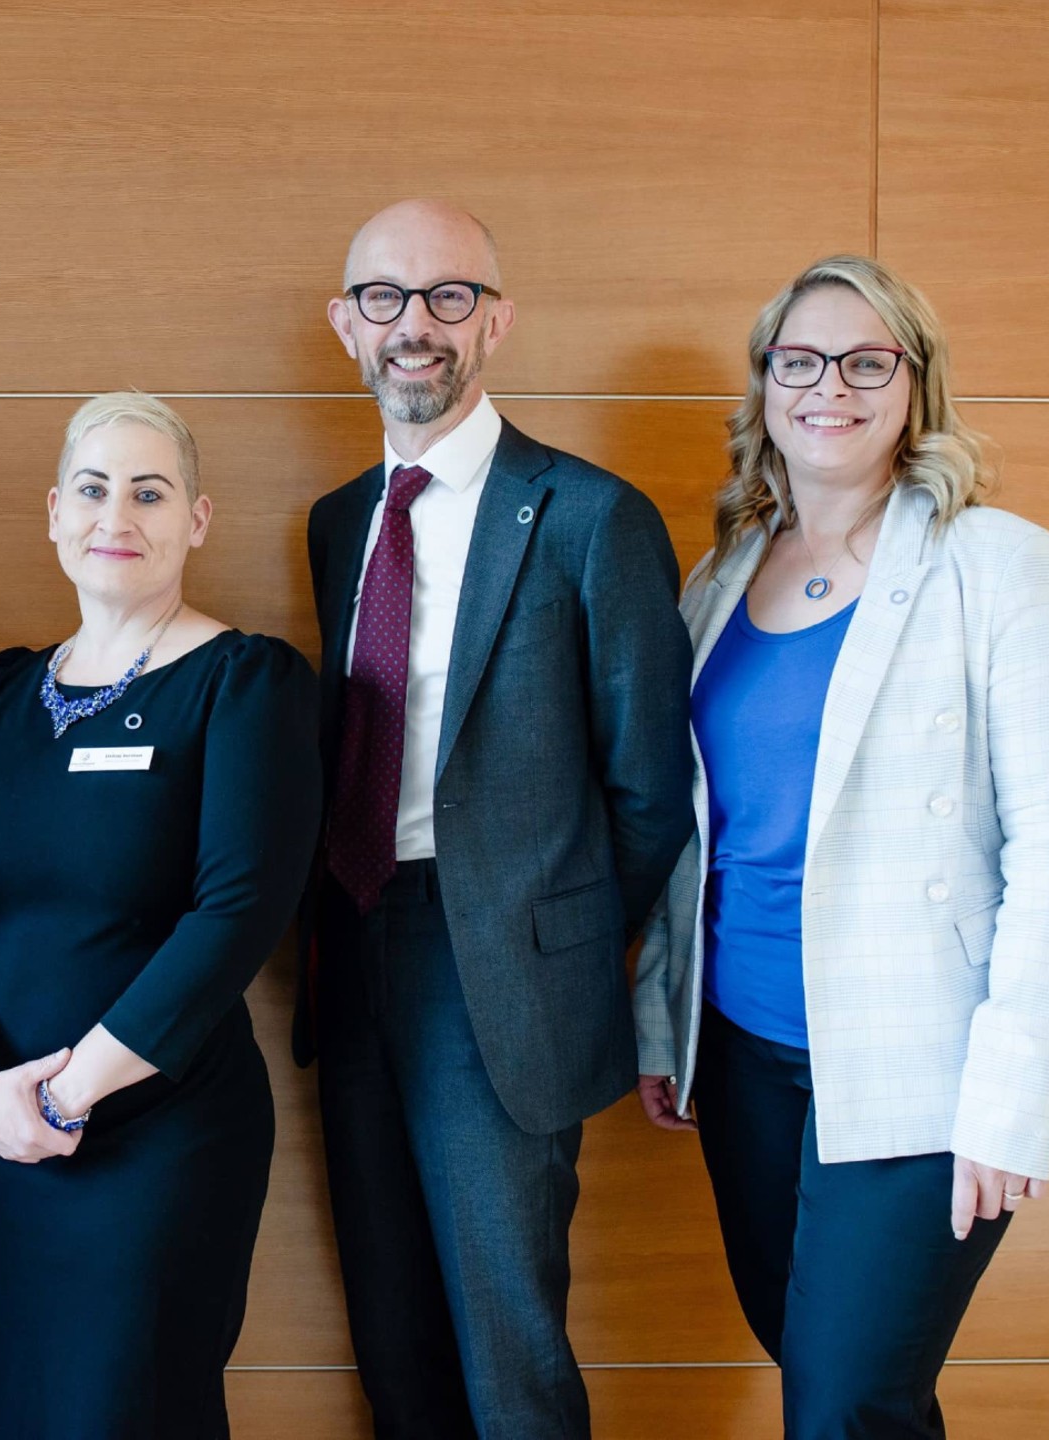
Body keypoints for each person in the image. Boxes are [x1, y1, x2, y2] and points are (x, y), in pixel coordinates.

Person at [633, 255, 1049, 1438]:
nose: (829, 388)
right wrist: (666, 1023)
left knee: (846, 1399)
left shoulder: (996, 564)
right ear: (766, 385)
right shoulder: (721, 576)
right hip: (746, 1051)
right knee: (817, 1368)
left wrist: (1010, 1098)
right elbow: (685, 833)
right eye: (800, 361)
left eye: (866, 361)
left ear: (914, 384)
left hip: (926, 1065)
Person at [301, 200, 694, 1439]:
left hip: (502, 984)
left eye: (449, 296)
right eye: (385, 298)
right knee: (394, 1335)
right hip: (353, 949)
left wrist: (554, 943)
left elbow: (649, 790)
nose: (415, 325)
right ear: (344, 324)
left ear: (499, 321)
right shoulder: (335, 523)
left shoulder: (590, 518)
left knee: (508, 1350)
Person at [0, 392, 320, 1440]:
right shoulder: (0, 693)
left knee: (127, 1410)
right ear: (54, 512)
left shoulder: (247, 682)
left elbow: (238, 914)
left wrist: (70, 1094)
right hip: (3, 1130)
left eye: (151, 492)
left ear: (197, 519)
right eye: (93, 490)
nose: (117, 516)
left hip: (161, 1130)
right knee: (17, 1413)